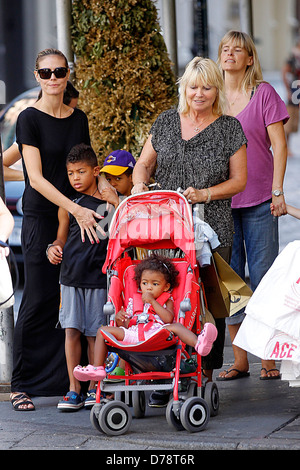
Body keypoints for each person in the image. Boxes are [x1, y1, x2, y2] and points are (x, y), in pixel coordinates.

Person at [131, 56, 247, 393]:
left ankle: (203, 376)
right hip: (165, 228)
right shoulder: (166, 121)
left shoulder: (229, 128)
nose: (200, 93)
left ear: (217, 90)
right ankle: (161, 371)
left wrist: (205, 194)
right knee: (163, 295)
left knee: (207, 303)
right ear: (185, 87)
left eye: (207, 87)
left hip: (213, 228)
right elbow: (143, 164)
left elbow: (239, 180)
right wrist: (139, 184)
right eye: (193, 86)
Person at [8, 48, 102, 412]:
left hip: (77, 217)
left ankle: (67, 380)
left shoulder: (78, 118)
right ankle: (21, 384)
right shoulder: (28, 118)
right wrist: (76, 208)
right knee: (37, 298)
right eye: (45, 73)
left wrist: (105, 194)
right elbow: (35, 177)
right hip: (43, 216)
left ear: (67, 74)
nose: (52, 78)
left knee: (74, 297)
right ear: (37, 77)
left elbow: (85, 164)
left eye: (58, 71)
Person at [217, 30, 289, 381]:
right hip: (222, 203)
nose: (230, 54)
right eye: (225, 49)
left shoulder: (264, 94)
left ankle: (269, 359)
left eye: (238, 50)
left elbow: (280, 145)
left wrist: (278, 191)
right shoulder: (210, 97)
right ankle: (240, 360)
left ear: (249, 58)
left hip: (261, 199)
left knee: (263, 279)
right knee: (231, 281)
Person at [73, 254, 218, 382]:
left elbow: (168, 319)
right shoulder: (134, 300)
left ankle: (199, 343)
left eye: (155, 284)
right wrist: (120, 319)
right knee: (102, 330)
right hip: (134, 334)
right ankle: (98, 368)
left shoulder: (166, 299)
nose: (149, 287)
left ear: (166, 287)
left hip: (158, 333)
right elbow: (128, 323)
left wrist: (153, 302)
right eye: (144, 283)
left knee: (176, 327)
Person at [47, 143, 109, 410]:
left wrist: (112, 196)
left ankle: (96, 388)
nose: (75, 178)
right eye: (71, 173)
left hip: (98, 277)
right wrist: (54, 247)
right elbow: (61, 236)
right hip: (70, 277)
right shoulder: (68, 205)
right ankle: (74, 388)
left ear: (96, 171)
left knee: (95, 335)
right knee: (71, 331)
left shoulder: (110, 204)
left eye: (81, 172)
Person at [3, 81, 80, 182]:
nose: (73, 115)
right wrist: (31, 176)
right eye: (71, 109)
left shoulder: (75, 130)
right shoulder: (32, 134)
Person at [282, 38, 300, 156]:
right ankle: (285, 148)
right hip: (293, 92)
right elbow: (284, 74)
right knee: (289, 123)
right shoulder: (292, 60)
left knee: (294, 123)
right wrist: (288, 91)